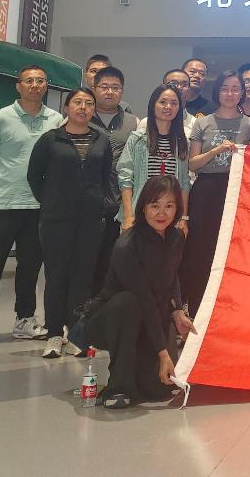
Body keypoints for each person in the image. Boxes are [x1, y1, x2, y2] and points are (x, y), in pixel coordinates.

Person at [0, 66, 62, 349]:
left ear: (46, 86)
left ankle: (24, 319)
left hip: (39, 205)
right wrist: (1, 182)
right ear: (18, 86)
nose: (35, 85)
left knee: (30, 266)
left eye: (40, 81)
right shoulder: (0, 118)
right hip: (5, 203)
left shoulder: (56, 119)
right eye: (29, 81)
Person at [88, 175, 195, 409]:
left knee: (158, 388)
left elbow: (172, 276)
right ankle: (118, 386)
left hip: (151, 315)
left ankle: (139, 373)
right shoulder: (127, 245)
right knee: (128, 302)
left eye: (169, 206)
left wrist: (178, 311)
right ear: (143, 207)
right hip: (112, 319)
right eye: (155, 206)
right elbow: (144, 299)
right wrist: (164, 354)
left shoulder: (176, 237)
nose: (162, 213)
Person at [27, 87, 116, 358]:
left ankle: (77, 334)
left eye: (89, 103)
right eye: (77, 102)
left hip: (91, 220)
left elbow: (107, 176)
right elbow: (34, 176)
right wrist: (51, 201)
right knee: (56, 276)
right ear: (67, 108)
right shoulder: (51, 139)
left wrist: (104, 204)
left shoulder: (101, 141)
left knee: (83, 277)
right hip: (56, 219)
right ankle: (54, 333)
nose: (83, 107)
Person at [183, 70, 250, 314]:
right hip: (205, 190)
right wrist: (215, 151)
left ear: (242, 93)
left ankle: (229, 309)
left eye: (235, 89)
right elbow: (192, 164)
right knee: (201, 249)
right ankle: (197, 308)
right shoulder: (202, 122)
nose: (230, 93)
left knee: (231, 249)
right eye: (225, 88)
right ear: (217, 92)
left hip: (236, 191)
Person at [89, 66, 137, 295]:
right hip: (88, 202)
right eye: (104, 87)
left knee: (115, 261)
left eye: (115, 87)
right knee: (86, 261)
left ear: (122, 91)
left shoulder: (133, 122)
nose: (110, 92)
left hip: (120, 203)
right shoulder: (82, 116)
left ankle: (108, 308)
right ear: (94, 88)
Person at [119, 85, 190, 232]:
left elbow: (184, 183)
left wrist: (183, 218)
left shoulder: (182, 143)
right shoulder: (137, 139)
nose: (168, 107)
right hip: (139, 214)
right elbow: (125, 178)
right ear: (153, 105)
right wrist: (128, 216)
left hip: (170, 217)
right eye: (163, 102)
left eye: (174, 103)